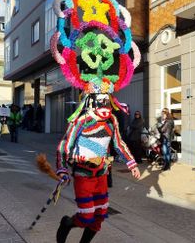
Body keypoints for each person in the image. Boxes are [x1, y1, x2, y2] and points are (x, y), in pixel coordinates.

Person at [55, 94, 140, 243]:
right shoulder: (81, 120)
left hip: (101, 173)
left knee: (100, 215)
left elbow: (118, 143)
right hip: (83, 172)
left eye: (107, 101)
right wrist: (62, 168)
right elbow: (64, 145)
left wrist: (131, 163)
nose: (105, 105)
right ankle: (66, 223)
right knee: (86, 215)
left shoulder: (112, 120)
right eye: (101, 101)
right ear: (91, 103)